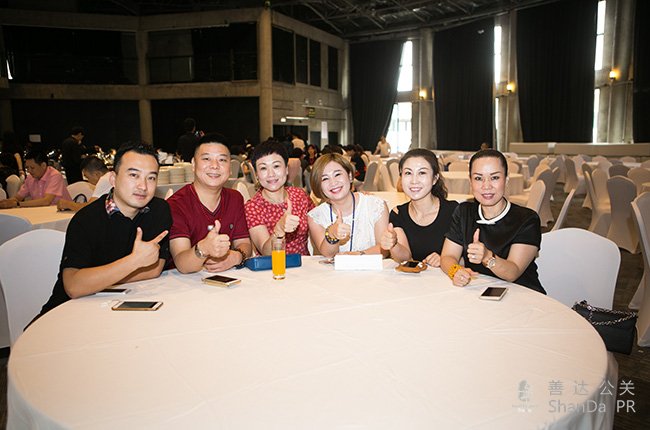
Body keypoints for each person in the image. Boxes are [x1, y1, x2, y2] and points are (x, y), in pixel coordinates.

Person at [36, 141, 172, 317]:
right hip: (67, 312)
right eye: (133, 175)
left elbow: (154, 269)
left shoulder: (159, 210)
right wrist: (134, 262)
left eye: (151, 178)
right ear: (113, 179)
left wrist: (97, 280)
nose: (143, 186)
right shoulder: (86, 219)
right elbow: (73, 286)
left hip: (116, 308)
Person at [440, 149, 545, 294]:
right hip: (479, 291)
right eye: (478, 178)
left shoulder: (526, 219)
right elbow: (447, 256)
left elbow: (513, 272)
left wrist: (487, 257)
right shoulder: (464, 212)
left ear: (506, 180)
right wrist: (455, 271)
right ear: (470, 182)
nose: (486, 186)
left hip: (523, 294)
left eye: (494, 177)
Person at [167, 133, 252, 273]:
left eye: (222, 160)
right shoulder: (176, 204)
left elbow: (244, 243)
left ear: (230, 168)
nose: (214, 166)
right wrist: (203, 249)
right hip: (185, 282)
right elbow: (182, 264)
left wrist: (235, 257)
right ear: (193, 164)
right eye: (206, 159)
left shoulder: (235, 198)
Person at [380, 149, 458, 265]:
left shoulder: (453, 211)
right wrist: (394, 244)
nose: (414, 181)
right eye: (408, 173)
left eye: (422, 173)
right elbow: (405, 258)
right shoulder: (398, 213)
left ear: (435, 178)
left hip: (446, 276)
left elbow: (466, 259)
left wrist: (446, 259)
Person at [308, 153, 389, 257]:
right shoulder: (316, 217)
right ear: (319, 186)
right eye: (325, 179)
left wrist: (358, 255)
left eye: (337, 174)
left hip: (370, 267)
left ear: (350, 176)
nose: (333, 182)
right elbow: (328, 255)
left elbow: (384, 249)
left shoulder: (375, 206)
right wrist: (331, 234)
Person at [244, 141, 314, 255]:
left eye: (276, 166)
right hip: (272, 265)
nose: (271, 174)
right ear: (256, 174)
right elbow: (265, 252)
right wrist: (279, 230)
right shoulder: (253, 207)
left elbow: (319, 222)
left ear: (286, 169)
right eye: (263, 168)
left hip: (303, 264)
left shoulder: (300, 196)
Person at [0, 150, 71, 208]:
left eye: (32, 168)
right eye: (27, 168)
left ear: (43, 165)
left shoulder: (55, 175)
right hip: (40, 212)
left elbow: (46, 201)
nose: (29, 171)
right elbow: (18, 197)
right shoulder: (30, 177)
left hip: (61, 213)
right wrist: (7, 202)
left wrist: (18, 204)